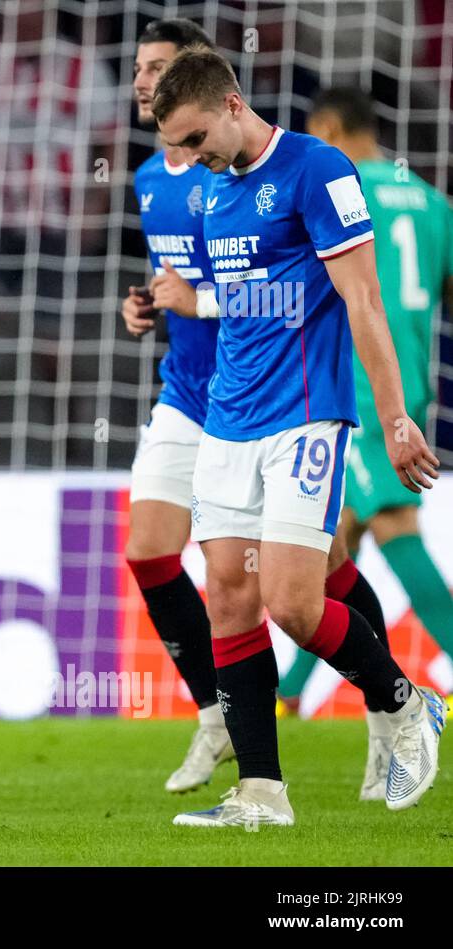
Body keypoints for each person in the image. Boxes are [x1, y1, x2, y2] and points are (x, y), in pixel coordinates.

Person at [153, 48, 444, 827]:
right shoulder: (215, 194)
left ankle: (406, 703)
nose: (190, 158)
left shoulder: (319, 170)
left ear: (232, 102)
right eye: (177, 147)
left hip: (306, 417)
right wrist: (184, 304)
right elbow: (247, 300)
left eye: (194, 138)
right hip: (228, 419)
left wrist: (394, 418)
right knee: (229, 602)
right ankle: (261, 793)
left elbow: (365, 303)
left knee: (291, 602)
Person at [278, 90, 453, 758]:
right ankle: (289, 691)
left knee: (390, 523)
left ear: (326, 129)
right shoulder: (433, 201)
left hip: (358, 381)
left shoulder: (341, 190)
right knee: (336, 533)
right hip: (414, 378)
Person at [119, 18, 228, 793]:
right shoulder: (149, 178)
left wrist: (201, 298)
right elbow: (176, 276)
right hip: (184, 391)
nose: (144, 83)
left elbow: (271, 286)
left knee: (309, 581)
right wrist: (149, 304)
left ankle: (391, 697)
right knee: (151, 551)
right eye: (136, 71)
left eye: (158, 68)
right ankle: (215, 716)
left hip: (257, 393)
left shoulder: (234, 168)